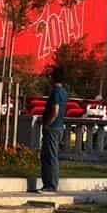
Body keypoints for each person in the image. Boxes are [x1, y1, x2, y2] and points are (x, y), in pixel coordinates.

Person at [35, 65, 68, 194]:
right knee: (47, 155)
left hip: (53, 128)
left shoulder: (56, 92)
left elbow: (55, 111)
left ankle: (51, 185)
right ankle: (47, 184)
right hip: (57, 127)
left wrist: (47, 123)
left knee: (50, 156)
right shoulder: (63, 92)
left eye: (50, 75)